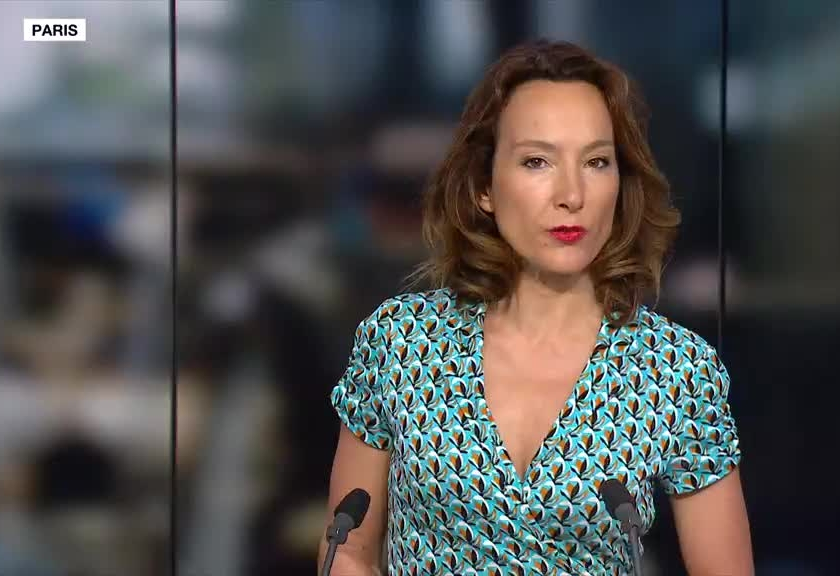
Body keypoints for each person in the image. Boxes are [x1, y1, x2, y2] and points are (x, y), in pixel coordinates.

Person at [320, 39, 753, 576]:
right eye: (537, 161)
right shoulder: (400, 341)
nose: (571, 194)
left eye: (596, 162)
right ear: (484, 186)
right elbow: (348, 551)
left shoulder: (675, 369)